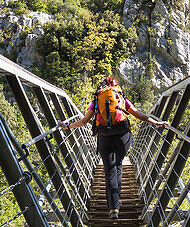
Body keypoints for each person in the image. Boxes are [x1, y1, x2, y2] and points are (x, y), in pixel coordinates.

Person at [60, 75, 165, 218]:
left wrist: (68, 126)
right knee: (119, 165)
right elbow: (138, 114)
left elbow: (84, 121)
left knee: (110, 170)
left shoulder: (97, 100)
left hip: (104, 137)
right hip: (123, 136)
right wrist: (154, 122)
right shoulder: (121, 98)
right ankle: (117, 199)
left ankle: (113, 208)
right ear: (116, 86)